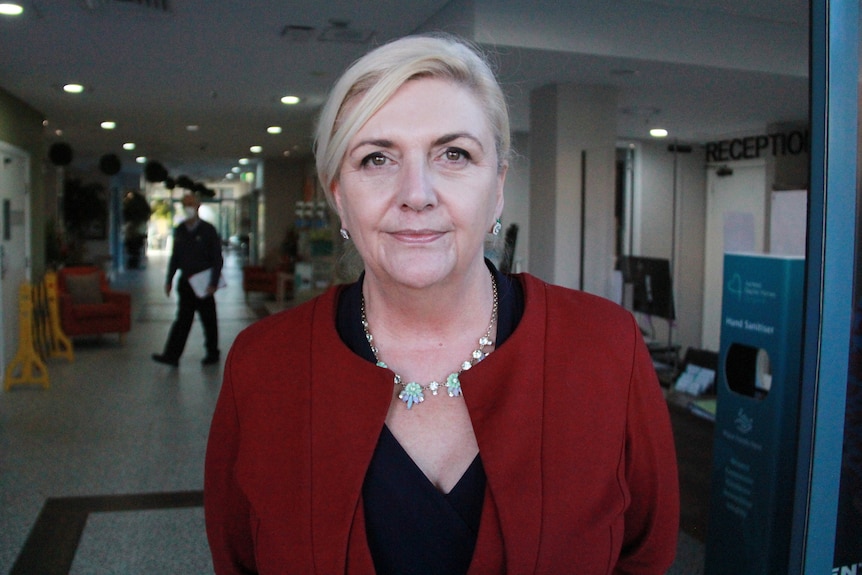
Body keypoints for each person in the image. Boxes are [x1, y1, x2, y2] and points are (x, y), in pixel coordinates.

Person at [205, 34, 679, 574]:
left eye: (454, 154)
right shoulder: (263, 365)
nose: (417, 192)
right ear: (338, 193)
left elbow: (646, 554)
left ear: (497, 185)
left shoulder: (605, 349)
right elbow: (238, 558)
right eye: (376, 158)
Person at [152, 193, 223, 367]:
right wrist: (169, 279)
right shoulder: (180, 230)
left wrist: (213, 282)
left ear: (198, 206)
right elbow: (175, 257)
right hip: (186, 283)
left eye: (191, 204)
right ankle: (171, 356)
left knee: (209, 320)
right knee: (182, 320)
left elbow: (217, 258)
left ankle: (212, 353)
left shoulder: (208, 230)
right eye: (185, 205)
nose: (188, 208)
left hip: (203, 282)